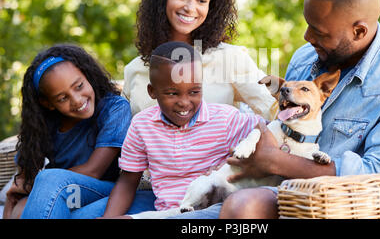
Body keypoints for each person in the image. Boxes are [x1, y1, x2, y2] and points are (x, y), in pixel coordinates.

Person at [176, 0, 380, 219]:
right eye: (308, 24)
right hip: (278, 189)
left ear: (359, 31)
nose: (307, 37)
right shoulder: (307, 57)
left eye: (319, 32)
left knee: (243, 206)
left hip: (341, 205)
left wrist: (275, 161)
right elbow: (281, 124)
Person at [99, 41, 263, 218]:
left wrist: (238, 162)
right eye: (172, 93)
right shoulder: (142, 125)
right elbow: (128, 182)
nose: (184, 102)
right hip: (166, 212)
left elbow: (266, 128)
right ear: (152, 91)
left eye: (194, 92)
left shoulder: (225, 119)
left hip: (214, 208)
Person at [122, 0, 276, 120]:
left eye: (201, 0)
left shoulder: (231, 59)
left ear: (212, 6)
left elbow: (275, 110)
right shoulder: (135, 69)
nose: (190, 7)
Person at [3, 44, 134, 219]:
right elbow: (20, 184)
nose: (77, 100)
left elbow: (94, 171)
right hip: (60, 194)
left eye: (79, 86)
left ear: (86, 75)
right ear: (48, 103)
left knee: (48, 180)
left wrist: (38, 184)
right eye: (63, 98)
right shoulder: (43, 126)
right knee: (20, 209)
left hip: (101, 191)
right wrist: (13, 200)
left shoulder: (114, 108)